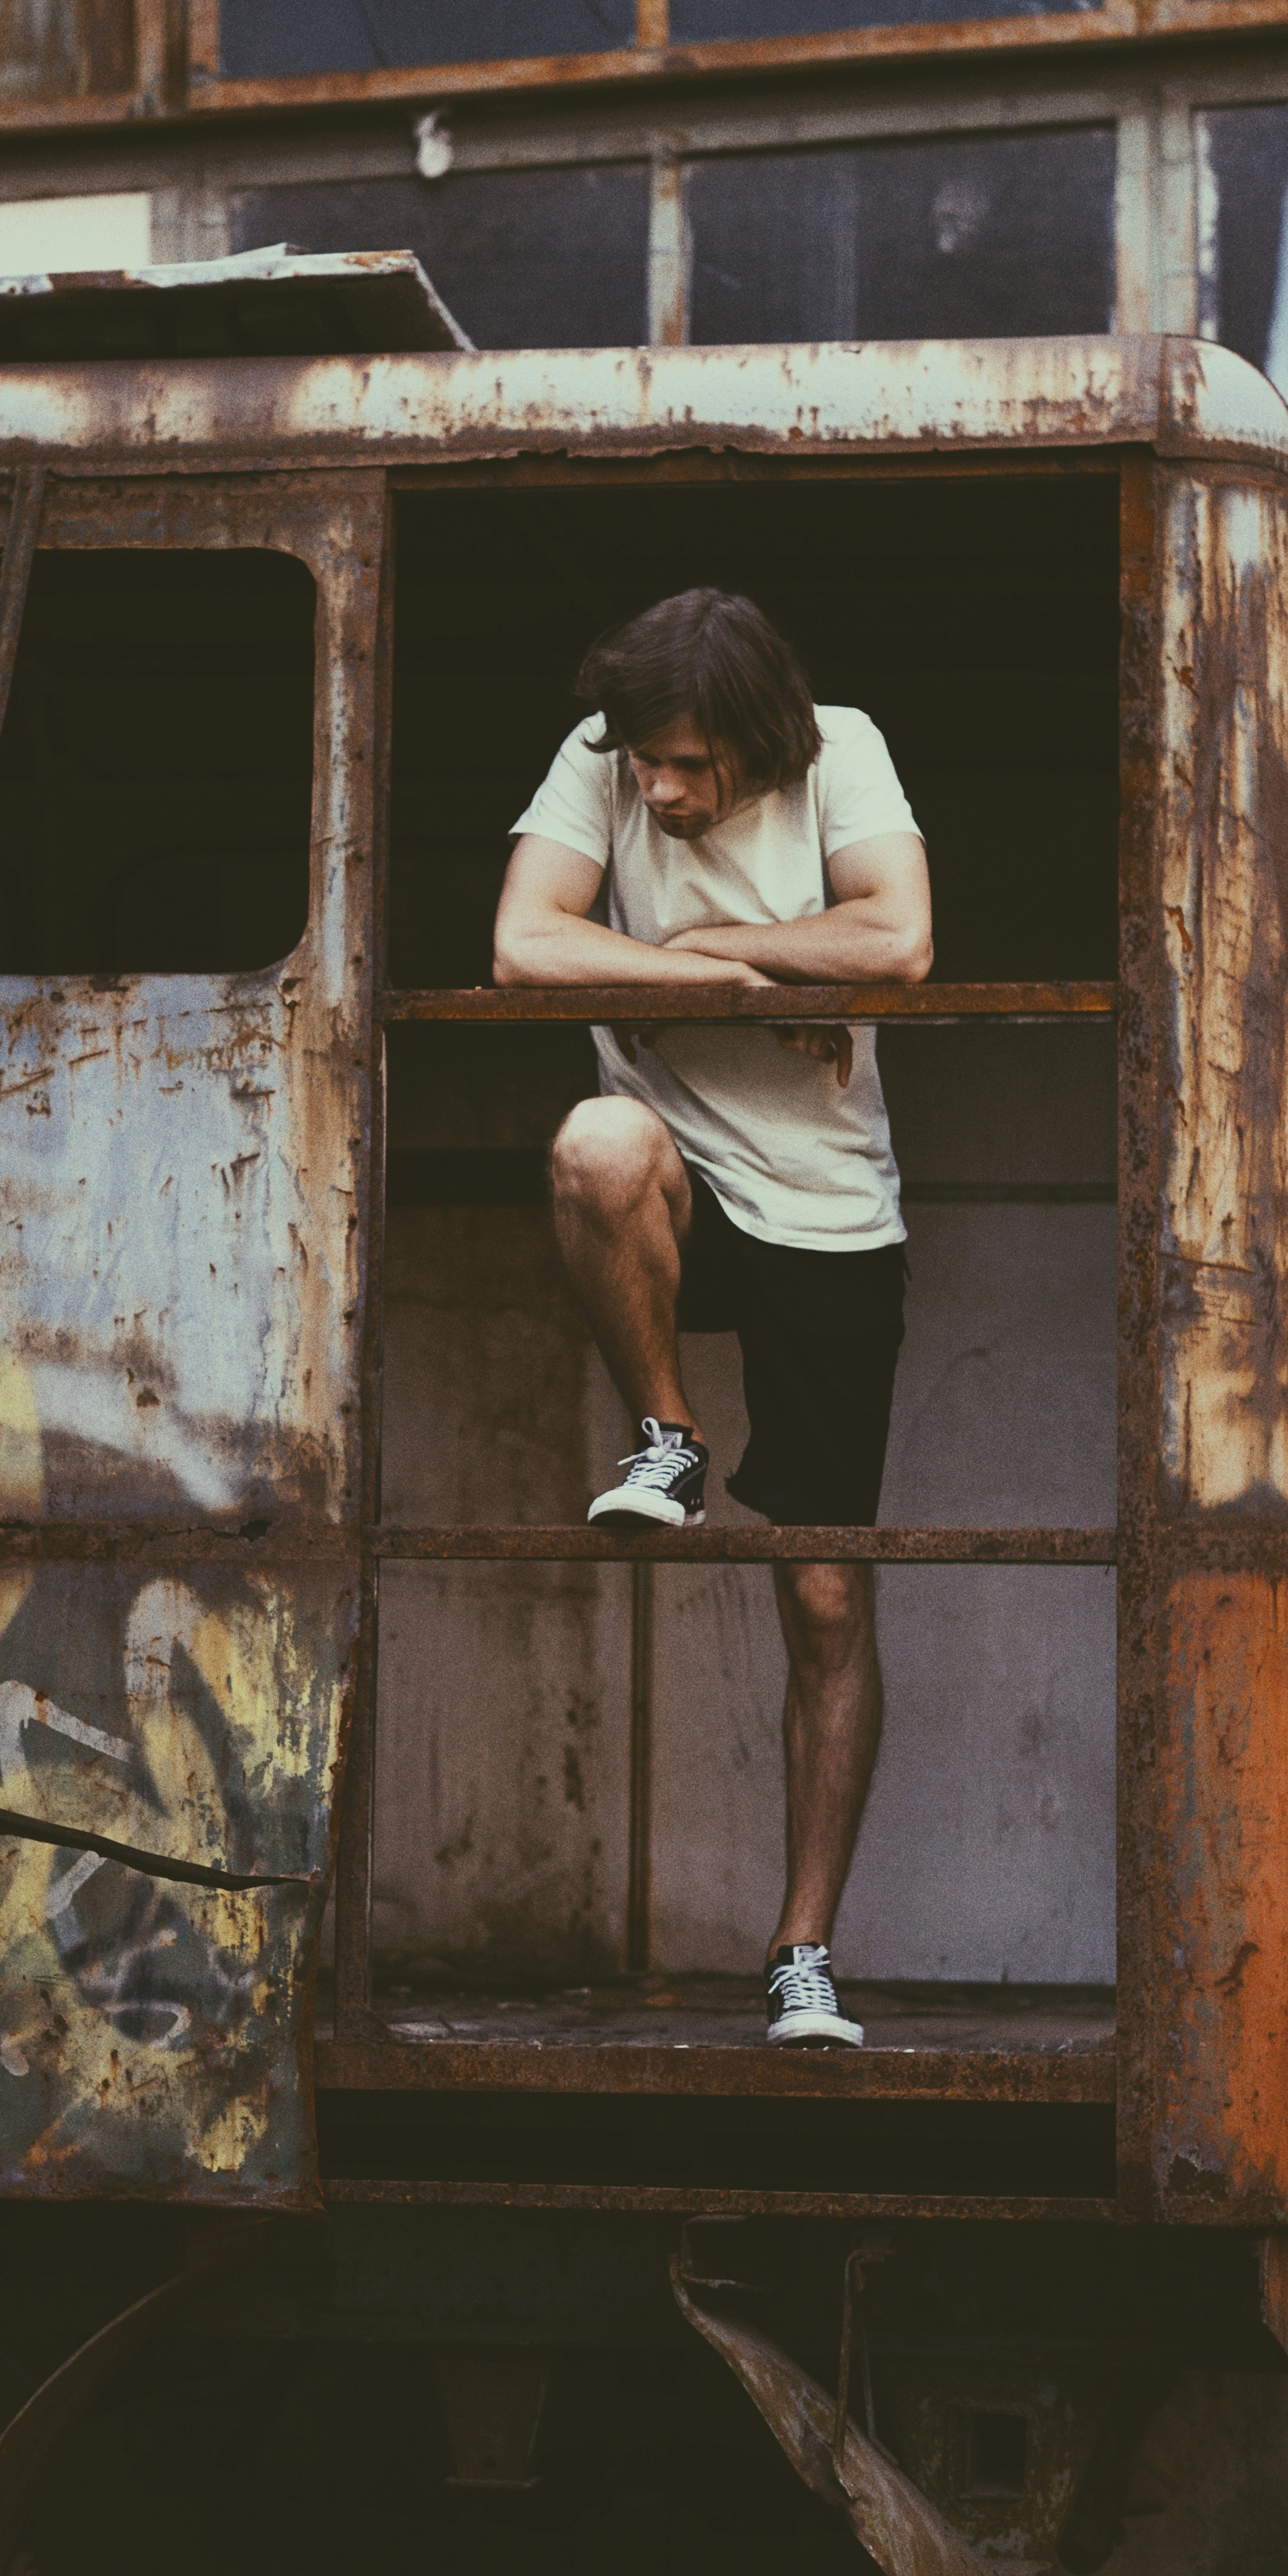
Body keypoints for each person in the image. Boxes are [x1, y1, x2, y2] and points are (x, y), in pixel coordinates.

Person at [492, 588, 931, 2049]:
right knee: (591, 1142)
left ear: (758, 741)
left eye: (687, 764)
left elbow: (903, 937)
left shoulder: (844, 753)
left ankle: (803, 1949)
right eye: (644, 764)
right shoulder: (601, 759)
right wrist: (740, 981)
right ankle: (665, 1434)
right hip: (680, 1175)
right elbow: (525, 946)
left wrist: (745, 946)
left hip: (827, 1213)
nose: (659, 789)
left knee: (823, 1595)